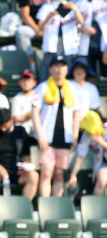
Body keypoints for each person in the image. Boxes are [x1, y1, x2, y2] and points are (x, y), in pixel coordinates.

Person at [31, 55, 81, 197]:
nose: (60, 70)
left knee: (59, 174)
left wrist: (75, 136)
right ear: (50, 69)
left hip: (65, 137)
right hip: (47, 136)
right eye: (57, 66)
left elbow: (76, 114)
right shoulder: (42, 87)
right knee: (47, 172)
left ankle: (56, 204)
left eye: (63, 66)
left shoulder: (72, 88)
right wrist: (40, 135)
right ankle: (45, 204)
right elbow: (35, 112)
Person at [0, 108, 38, 207]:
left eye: (5, 125)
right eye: (0, 126)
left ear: (11, 120)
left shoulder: (20, 131)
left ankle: (24, 207)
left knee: (34, 175)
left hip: (17, 171)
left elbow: (26, 155)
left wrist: (25, 165)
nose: (2, 129)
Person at [35, 0, 91, 79]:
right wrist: (49, 16)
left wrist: (74, 9)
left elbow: (81, 22)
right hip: (51, 45)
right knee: (46, 72)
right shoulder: (47, 7)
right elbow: (39, 27)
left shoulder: (72, 6)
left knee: (68, 73)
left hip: (68, 46)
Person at [11, 69, 37, 134]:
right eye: (24, 80)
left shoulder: (39, 96)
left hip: (37, 124)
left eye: (28, 80)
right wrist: (26, 118)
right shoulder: (16, 98)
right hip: (23, 125)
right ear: (19, 82)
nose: (26, 83)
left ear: (34, 82)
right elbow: (15, 118)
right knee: (21, 128)